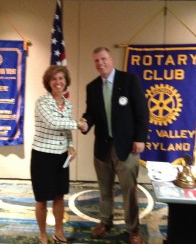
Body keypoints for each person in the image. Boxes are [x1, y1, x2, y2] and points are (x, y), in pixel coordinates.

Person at [80, 47, 149, 244]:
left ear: (111, 59)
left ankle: (133, 229)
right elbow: (91, 113)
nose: (100, 63)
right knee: (104, 189)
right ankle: (105, 222)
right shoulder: (92, 87)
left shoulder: (129, 81)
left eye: (103, 59)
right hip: (102, 148)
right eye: (96, 61)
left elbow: (142, 112)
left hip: (127, 147)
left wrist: (140, 138)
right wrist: (85, 122)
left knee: (129, 190)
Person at [30, 65, 86, 244]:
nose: (58, 82)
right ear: (48, 82)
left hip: (61, 157)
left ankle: (58, 232)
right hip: (43, 156)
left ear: (66, 81)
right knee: (41, 199)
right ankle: (43, 235)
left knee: (59, 196)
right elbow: (54, 123)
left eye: (61, 78)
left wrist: (70, 145)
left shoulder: (67, 104)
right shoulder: (42, 102)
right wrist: (78, 124)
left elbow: (65, 129)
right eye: (54, 79)